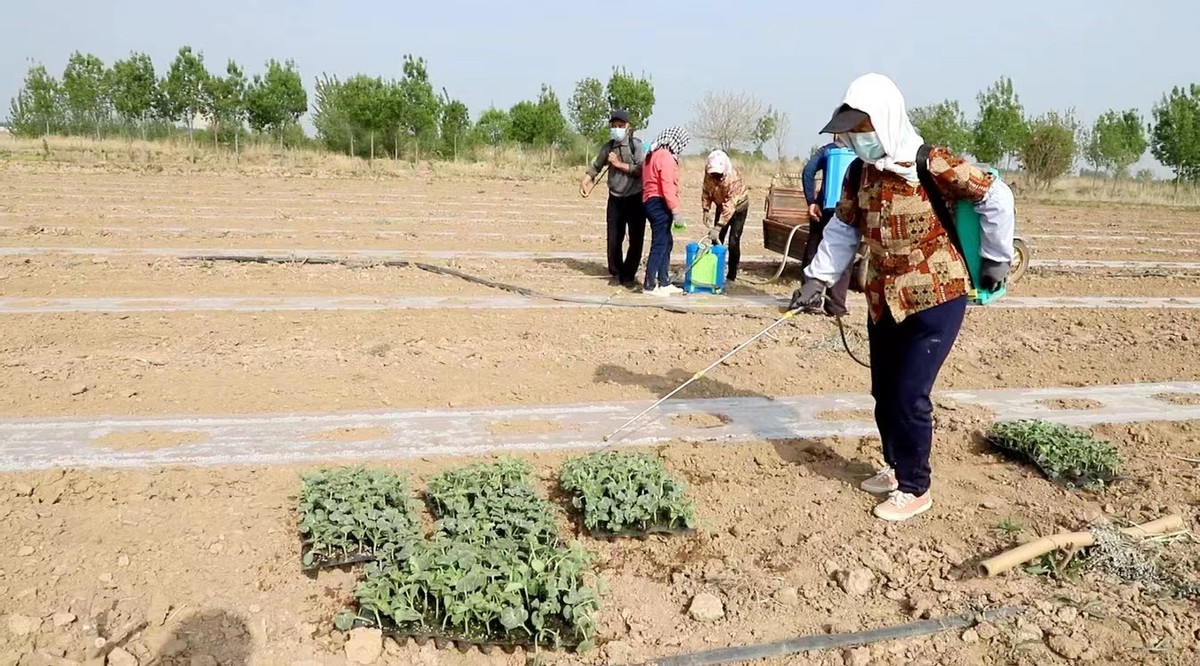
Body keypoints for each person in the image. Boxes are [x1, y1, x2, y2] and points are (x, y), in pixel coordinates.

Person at [790, 73, 1015, 522]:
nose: (858, 141)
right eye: (851, 133)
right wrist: (816, 278)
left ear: (886, 120)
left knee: (911, 393)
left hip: (936, 295)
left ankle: (916, 486)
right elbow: (842, 228)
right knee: (884, 390)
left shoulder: (931, 163)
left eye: (863, 130)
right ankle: (895, 467)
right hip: (882, 297)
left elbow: (996, 195)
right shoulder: (859, 173)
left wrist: (997, 257)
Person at [580, 109, 646, 288]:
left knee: (636, 238)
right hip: (615, 198)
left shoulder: (636, 146)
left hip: (634, 198)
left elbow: (642, 170)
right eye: (614, 126)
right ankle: (616, 271)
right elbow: (596, 166)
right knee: (614, 238)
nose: (617, 129)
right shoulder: (607, 147)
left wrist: (618, 164)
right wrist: (586, 181)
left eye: (620, 126)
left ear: (628, 127)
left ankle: (629, 274)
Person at [800, 138, 855, 315]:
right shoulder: (861, 154)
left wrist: (811, 201)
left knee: (814, 250)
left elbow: (808, 172)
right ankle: (836, 307)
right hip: (849, 208)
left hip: (825, 207)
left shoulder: (827, 150)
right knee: (844, 255)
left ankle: (808, 301)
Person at [641, 126, 691, 296]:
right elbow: (667, 185)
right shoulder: (665, 157)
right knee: (660, 243)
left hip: (649, 201)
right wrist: (675, 210)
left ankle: (664, 281)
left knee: (666, 242)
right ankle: (649, 284)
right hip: (659, 202)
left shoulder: (653, 154)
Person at [701, 150, 750, 282]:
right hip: (721, 204)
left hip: (738, 207)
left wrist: (717, 226)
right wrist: (706, 209)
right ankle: (715, 272)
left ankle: (731, 275)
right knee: (716, 240)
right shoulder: (709, 174)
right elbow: (706, 190)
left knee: (733, 240)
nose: (716, 178)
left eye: (718, 175)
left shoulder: (733, 179)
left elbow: (730, 206)